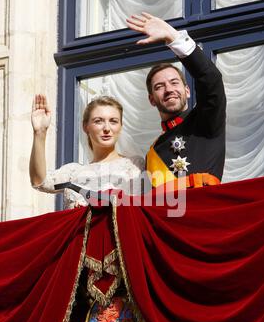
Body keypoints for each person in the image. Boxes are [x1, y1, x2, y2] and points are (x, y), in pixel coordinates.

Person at [126, 12, 226, 189]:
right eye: (159, 86)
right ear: (151, 99)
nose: (169, 89)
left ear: (187, 91)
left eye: (174, 82)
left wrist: (174, 37)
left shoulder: (205, 120)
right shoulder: (153, 153)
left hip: (206, 210)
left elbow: (211, 79)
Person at [30, 94, 144, 208]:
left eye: (113, 121)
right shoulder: (73, 172)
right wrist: (40, 132)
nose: (107, 128)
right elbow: (40, 182)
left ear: (120, 126)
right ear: (85, 126)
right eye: (98, 121)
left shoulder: (135, 165)